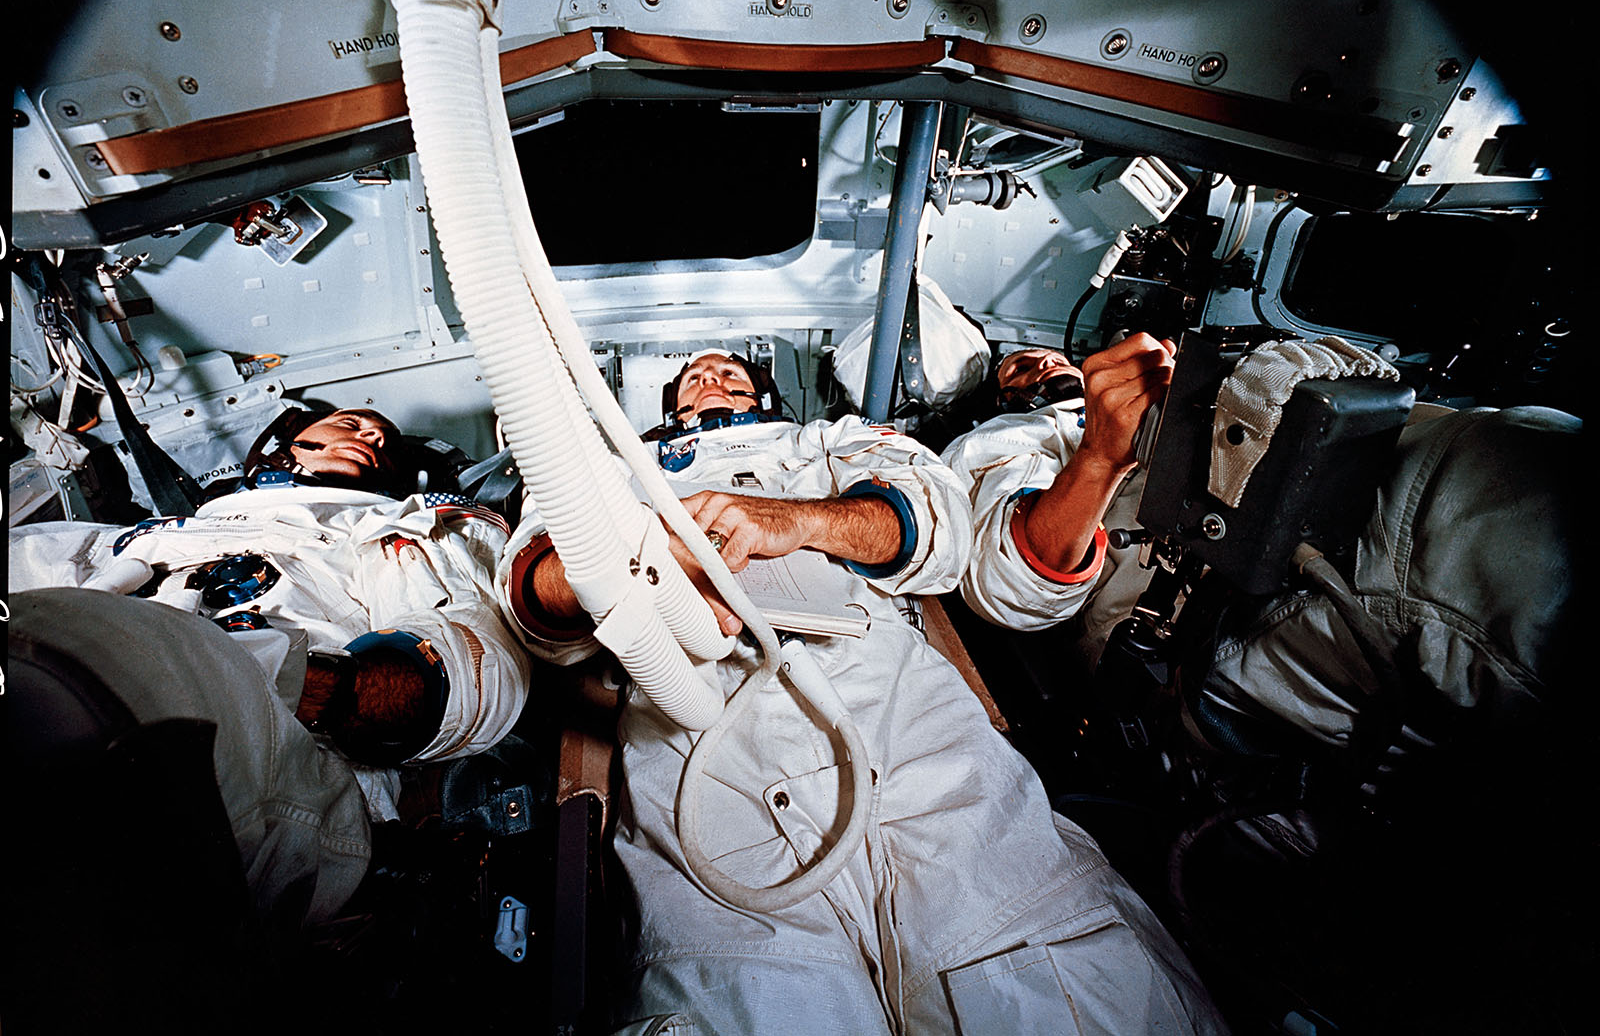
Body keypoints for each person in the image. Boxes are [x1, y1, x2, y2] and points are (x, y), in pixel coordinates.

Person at [498, 350, 1224, 1035]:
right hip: (698, 745)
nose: (711, 378)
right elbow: (531, 590)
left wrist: (801, 519)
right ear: (669, 403)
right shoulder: (606, 471)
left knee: (1061, 977)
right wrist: (647, 563)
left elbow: (933, 519)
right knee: (742, 996)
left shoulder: (822, 440)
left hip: (897, 705)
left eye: (729, 371)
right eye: (695, 376)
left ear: (764, 396)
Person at [8, 405, 534, 923]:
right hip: (82, 673)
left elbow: (472, 674)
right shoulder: (143, 534)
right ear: (288, 441)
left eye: (385, 441)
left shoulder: (392, 528)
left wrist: (307, 683)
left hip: (273, 765)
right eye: (352, 424)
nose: (372, 434)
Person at [941, 333, 1176, 666]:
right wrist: (1100, 458)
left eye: (1058, 360)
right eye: (1021, 367)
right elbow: (1012, 582)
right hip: (1172, 642)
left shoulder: (1144, 402)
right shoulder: (1002, 436)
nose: (1047, 362)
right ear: (1002, 400)